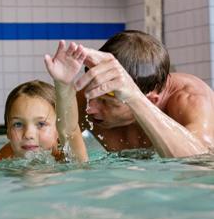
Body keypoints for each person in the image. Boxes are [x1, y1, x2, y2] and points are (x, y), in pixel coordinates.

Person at [55, 30, 214, 158]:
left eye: (106, 102)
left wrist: (134, 97)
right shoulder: (94, 94)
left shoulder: (191, 100)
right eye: (91, 96)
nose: (90, 109)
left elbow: (201, 162)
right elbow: (58, 147)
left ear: (151, 100)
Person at [0, 42, 89, 163]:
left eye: (41, 124)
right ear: (8, 132)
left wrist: (64, 84)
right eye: (18, 124)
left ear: (58, 129)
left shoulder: (68, 161)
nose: (28, 134)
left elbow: (70, 131)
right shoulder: (2, 164)